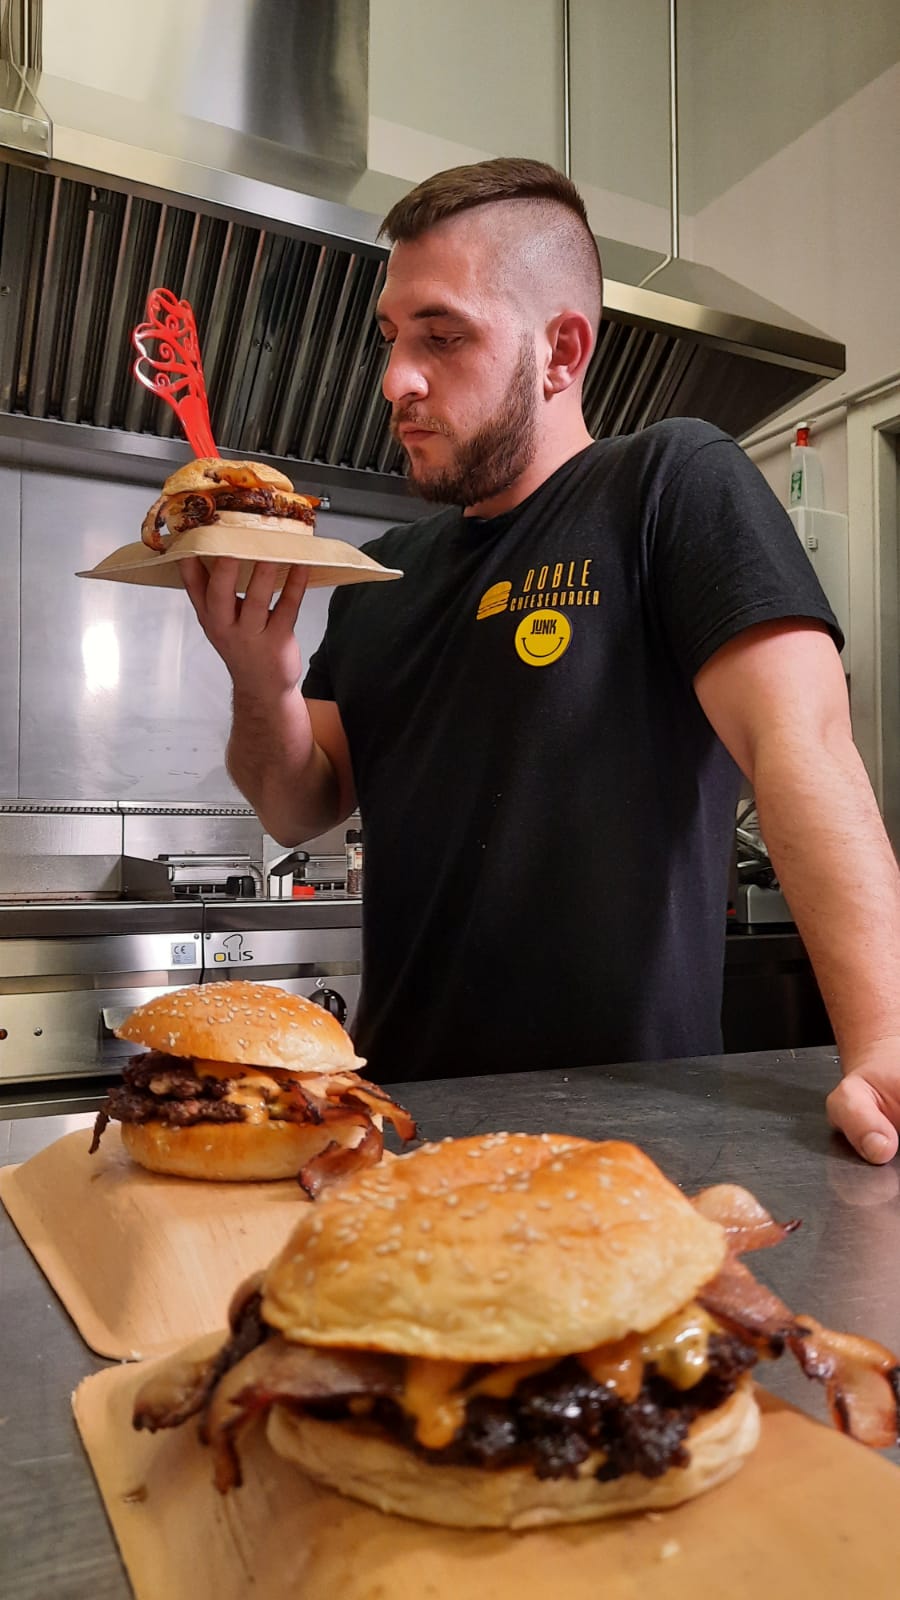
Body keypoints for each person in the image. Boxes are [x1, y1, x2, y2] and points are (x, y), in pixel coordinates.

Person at [181, 157, 900, 1165]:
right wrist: (259, 673)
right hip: (408, 1138)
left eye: (443, 336)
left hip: (636, 1150)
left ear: (562, 350)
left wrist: (886, 1040)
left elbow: (804, 747)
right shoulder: (381, 570)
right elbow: (301, 802)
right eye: (392, 339)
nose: (397, 379)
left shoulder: (668, 484)